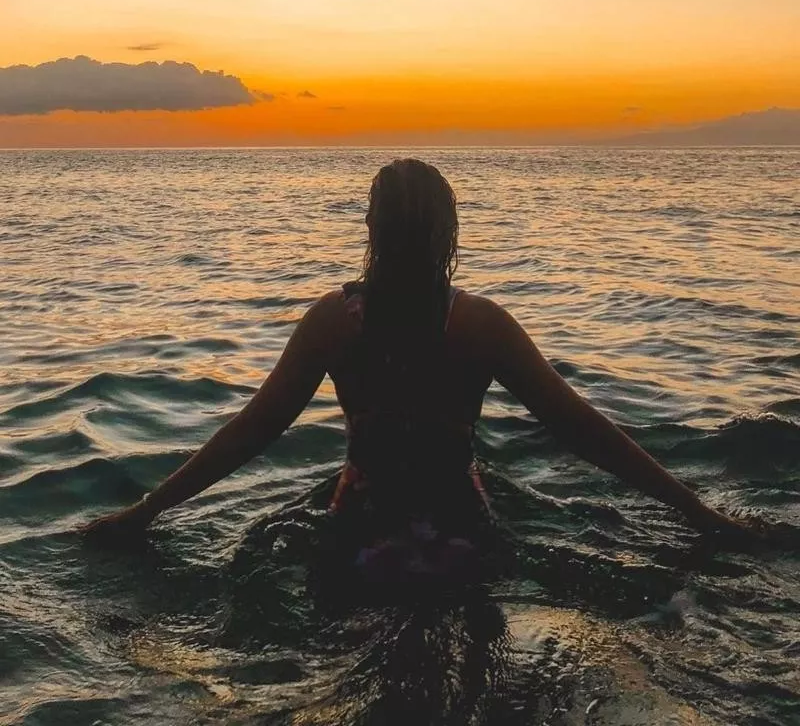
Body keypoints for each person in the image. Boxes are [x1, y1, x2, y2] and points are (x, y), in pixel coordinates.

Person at [81, 158, 752, 575]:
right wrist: (699, 515)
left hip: (360, 523)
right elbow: (585, 430)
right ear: (449, 234)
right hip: (460, 524)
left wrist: (144, 512)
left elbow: (251, 433)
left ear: (371, 230)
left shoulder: (332, 323)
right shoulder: (481, 325)